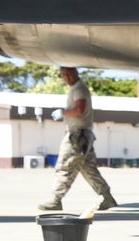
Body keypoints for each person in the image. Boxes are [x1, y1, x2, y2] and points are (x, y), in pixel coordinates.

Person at [38, 68, 117, 211]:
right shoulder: (77, 88)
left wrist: (64, 113)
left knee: (65, 165)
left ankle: (56, 198)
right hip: (83, 135)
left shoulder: (79, 89)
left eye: (68, 73)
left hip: (77, 135)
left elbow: (79, 109)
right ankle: (107, 197)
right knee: (88, 168)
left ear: (76, 73)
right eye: (63, 74)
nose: (66, 77)